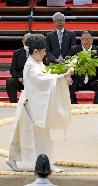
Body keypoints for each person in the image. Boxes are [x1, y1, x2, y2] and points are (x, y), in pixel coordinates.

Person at [5, 34, 73, 172]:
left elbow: (46, 75)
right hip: (31, 106)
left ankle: (14, 158)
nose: (45, 54)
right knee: (37, 136)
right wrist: (62, 76)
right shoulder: (31, 65)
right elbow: (42, 79)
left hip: (32, 103)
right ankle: (44, 163)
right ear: (36, 51)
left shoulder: (37, 62)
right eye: (43, 51)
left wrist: (61, 76)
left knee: (27, 134)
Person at [68, 31, 98, 104]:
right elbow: (69, 64)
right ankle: (74, 104)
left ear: (92, 40)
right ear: (81, 40)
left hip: (93, 80)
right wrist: (69, 76)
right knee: (67, 84)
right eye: (84, 39)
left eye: (88, 39)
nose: (86, 41)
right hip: (78, 80)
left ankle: (96, 104)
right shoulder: (74, 50)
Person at [6, 33, 31, 103]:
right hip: (21, 80)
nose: (28, 40)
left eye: (30, 38)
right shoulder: (17, 53)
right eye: (26, 38)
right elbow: (12, 69)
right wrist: (20, 78)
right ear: (22, 41)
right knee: (10, 82)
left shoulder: (37, 52)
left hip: (34, 80)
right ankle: (13, 103)